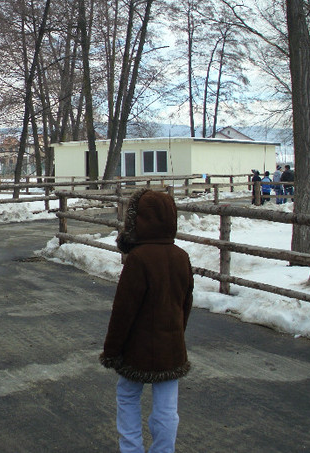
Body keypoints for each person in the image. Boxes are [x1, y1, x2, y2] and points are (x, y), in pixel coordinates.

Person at [100, 189, 193, 453]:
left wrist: (112, 350)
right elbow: (185, 304)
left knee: (128, 396)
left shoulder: (138, 259)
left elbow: (123, 310)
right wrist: (177, 333)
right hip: (171, 346)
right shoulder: (181, 257)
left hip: (136, 347)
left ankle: (131, 448)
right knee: (167, 408)